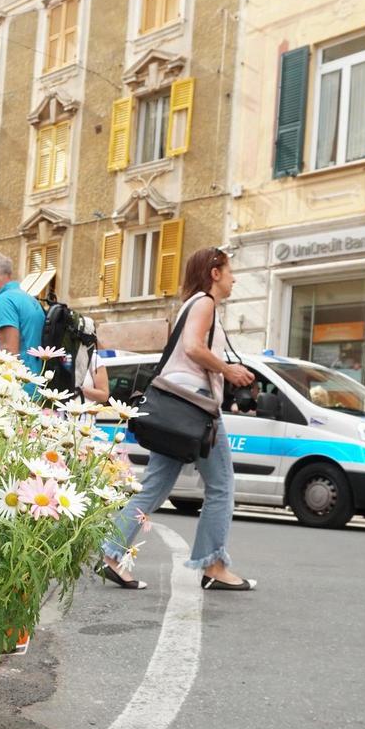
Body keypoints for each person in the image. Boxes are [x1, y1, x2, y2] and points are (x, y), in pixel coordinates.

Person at [98, 247, 258, 592]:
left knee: (155, 486)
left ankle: (111, 552)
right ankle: (213, 565)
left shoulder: (192, 303)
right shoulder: (204, 303)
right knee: (221, 486)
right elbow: (192, 347)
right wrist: (228, 370)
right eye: (230, 271)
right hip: (194, 410)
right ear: (215, 272)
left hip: (177, 410)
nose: (234, 278)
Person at [0, 252, 44, 383]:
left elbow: (9, 354)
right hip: (35, 383)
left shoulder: (4, 301)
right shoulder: (29, 299)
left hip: (17, 388)